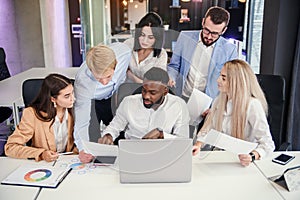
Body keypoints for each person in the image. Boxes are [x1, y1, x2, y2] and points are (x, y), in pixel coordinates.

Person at [79, 67, 190, 163]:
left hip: (164, 154)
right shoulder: (128, 102)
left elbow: (183, 141)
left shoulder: (179, 105)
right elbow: (114, 126)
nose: (146, 96)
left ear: (165, 91)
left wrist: (162, 135)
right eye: (144, 90)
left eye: (152, 93)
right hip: (131, 153)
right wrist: (108, 135)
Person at [192, 59, 275, 166]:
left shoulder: (252, 105)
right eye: (220, 76)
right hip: (221, 159)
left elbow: (268, 143)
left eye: (223, 78)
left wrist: (253, 155)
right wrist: (198, 145)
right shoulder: (219, 101)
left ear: (236, 81)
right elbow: (208, 129)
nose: (218, 80)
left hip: (242, 162)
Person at [74, 43, 131, 160]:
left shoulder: (124, 52)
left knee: (122, 132)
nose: (104, 82)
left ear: (115, 65)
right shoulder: (82, 83)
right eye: (99, 78)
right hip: (95, 102)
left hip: (116, 96)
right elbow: (81, 122)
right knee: (94, 140)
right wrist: (82, 149)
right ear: (91, 70)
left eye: (108, 76)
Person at [168, 6, 238, 100]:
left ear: (224, 30)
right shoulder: (184, 37)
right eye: (206, 30)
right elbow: (174, 66)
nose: (209, 36)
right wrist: (171, 77)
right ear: (203, 22)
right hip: (182, 96)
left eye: (214, 33)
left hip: (209, 102)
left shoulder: (230, 50)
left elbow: (230, 81)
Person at [5, 74, 77, 162]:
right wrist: (41, 154)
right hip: (44, 165)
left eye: (72, 93)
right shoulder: (31, 114)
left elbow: (83, 140)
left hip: (69, 164)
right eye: (67, 96)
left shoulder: (74, 111)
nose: (73, 99)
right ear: (53, 99)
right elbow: (10, 147)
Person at [124, 12, 168, 83]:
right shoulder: (128, 44)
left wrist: (130, 75)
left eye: (150, 37)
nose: (144, 41)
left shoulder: (161, 54)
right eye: (142, 35)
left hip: (147, 92)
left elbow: (156, 83)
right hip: (125, 89)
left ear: (157, 38)